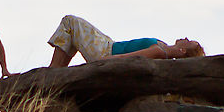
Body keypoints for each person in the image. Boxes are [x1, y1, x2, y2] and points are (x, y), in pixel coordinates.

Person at [47, 14, 205, 68]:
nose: (186, 38)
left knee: (70, 22)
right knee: (72, 29)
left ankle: (55, 69)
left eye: (189, 41)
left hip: (106, 51)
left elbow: (129, 57)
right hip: (109, 44)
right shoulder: (162, 47)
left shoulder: (159, 51)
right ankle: (57, 70)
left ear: (183, 51)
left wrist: (104, 61)